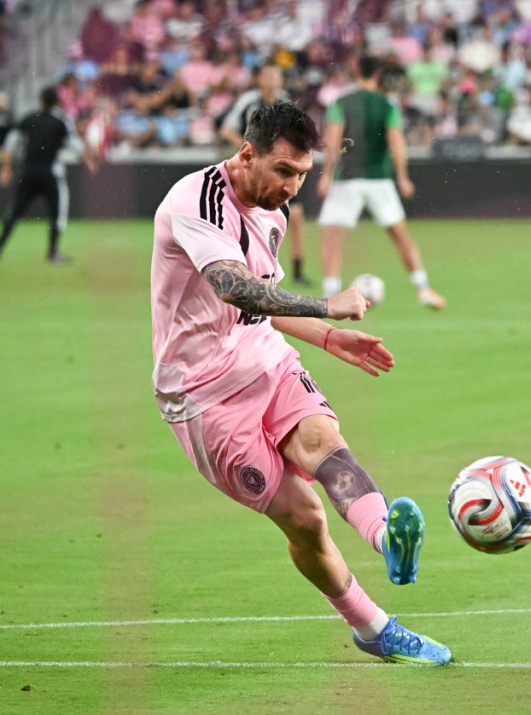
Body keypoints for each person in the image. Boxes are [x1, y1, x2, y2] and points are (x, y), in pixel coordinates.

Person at [151, 101, 451, 666]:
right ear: (247, 154)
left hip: (262, 358)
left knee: (325, 446)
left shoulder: (273, 210)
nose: (292, 187)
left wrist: (328, 340)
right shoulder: (197, 201)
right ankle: (373, 627)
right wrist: (329, 308)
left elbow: (265, 306)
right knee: (306, 519)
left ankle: (390, 541)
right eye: (284, 171)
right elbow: (235, 288)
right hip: (200, 395)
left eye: (302, 176)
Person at [316, 55, 446, 310]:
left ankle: (329, 298)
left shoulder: (340, 103)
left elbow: (333, 142)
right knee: (400, 236)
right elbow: (397, 143)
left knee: (332, 239)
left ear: (357, 73)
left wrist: (327, 175)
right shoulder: (387, 105)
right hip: (379, 179)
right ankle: (423, 289)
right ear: (377, 76)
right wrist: (403, 178)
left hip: (348, 179)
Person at [220, 63, 312, 286]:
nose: (271, 81)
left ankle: (297, 270)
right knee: (246, 218)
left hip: (282, 169)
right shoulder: (248, 101)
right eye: (267, 76)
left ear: (281, 80)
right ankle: (241, 265)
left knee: (296, 217)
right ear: (259, 79)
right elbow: (225, 129)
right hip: (252, 171)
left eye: (276, 76)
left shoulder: (286, 102)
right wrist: (252, 149)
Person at [0, 85, 97, 264]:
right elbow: (74, 144)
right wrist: (88, 160)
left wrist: (5, 167)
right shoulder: (61, 121)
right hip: (50, 173)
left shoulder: (29, 119)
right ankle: (53, 252)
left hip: (29, 171)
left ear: (41, 101)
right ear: (57, 102)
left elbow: (11, 143)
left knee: (14, 212)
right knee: (57, 213)